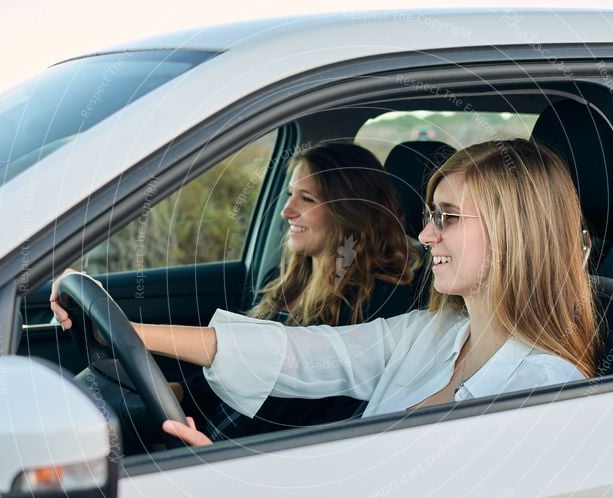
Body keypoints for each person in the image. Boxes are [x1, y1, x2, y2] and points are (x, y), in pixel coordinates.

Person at [53, 138, 599, 448]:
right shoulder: (429, 334)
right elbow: (299, 354)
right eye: (430, 215)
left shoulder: (547, 392)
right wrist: (125, 329)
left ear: (513, 234)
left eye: (446, 218)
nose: (425, 234)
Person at [53, 142, 423, 439]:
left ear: (350, 209)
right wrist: (174, 393)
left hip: (244, 455)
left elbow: (296, 407)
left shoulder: (377, 304)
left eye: (306, 200)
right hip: (211, 429)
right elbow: (237, 368)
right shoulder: (287, 281)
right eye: (290, 195)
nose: (286, 211)